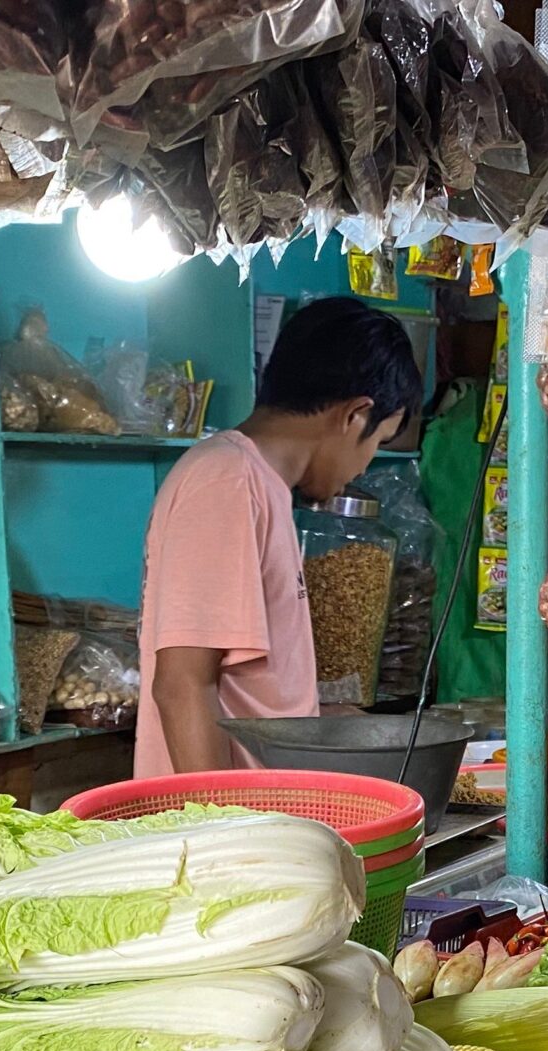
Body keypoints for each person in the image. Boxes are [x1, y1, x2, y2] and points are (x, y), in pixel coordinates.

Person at [134, 296, 422, 776]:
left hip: (269, 810)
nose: (366, 463)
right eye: (378, 441)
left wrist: (323, 720)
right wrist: (223, 831)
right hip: (230, 829)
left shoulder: (261, 486)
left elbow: (247, 694)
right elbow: (183, 685)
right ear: (354, 416)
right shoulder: (225, 480)